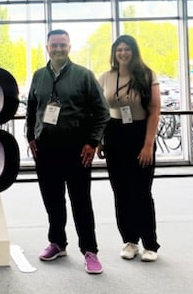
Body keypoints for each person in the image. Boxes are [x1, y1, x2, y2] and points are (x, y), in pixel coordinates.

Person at [26, 29, 110, 274]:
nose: (59, 49)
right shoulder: (39, 76)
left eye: (63, 45)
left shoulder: (84, 75)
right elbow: (32, 109)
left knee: (81, 202)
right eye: (54, 45)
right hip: (46, 149)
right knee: (52, 200)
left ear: (70, 47)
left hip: (77, 149)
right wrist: (31, 136)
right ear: (47, 48)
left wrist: (92, 142)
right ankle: (57, 243)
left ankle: (90, 251)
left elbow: (102, 112)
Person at [97, 34, 161, 262]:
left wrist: (148, 145)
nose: (123, 53)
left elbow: (154, 110)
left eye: (127, 49)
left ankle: (150, 244)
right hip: (115, 134)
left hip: (140, 134)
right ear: (114, 53)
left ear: (134, 52)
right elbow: (101, 112)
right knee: (121, 192)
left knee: (141, 192)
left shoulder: (146, 75)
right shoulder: (105, 77)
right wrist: (100, 140)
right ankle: (130, 240)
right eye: (119, 50)